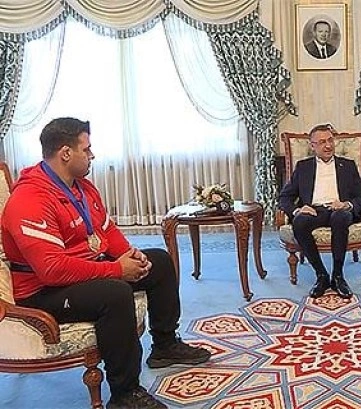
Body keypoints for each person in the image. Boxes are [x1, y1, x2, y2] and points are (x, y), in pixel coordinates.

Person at [1, 118, 212, 409]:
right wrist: (116, 269)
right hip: (43, 291)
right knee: (114, 293)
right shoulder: (30, 199)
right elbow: (52, 270)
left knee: (159, 261)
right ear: (65, 153)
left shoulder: (82, 188)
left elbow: (106, 230)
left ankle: (165, 346)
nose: (92, 155)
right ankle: (124, 393)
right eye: (86, 149)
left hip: (83, 269)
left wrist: (131, 255)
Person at [278, 124, 361, 299]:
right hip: (314, 210)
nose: (328, 145)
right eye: (321, 142)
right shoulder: (303, 167)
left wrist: (347, 204)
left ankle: (338, 276)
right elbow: (284, 197)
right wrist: (297, 210)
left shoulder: (348, 165)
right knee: (300, 222)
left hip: (339, 210)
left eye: (330, 140)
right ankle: (321, 275)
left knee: (340, 218)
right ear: (312, 146)